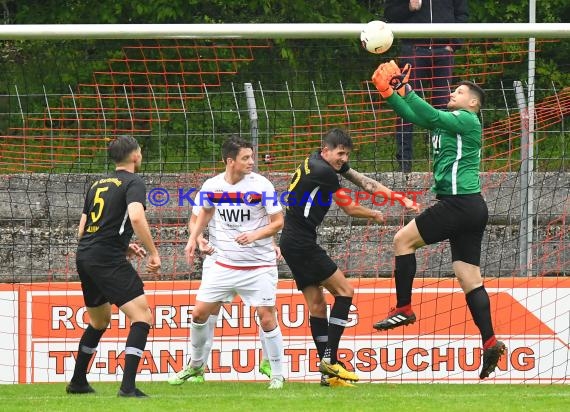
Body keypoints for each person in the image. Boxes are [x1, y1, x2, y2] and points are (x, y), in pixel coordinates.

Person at [370, 60, 506, 379]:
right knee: (468, 277)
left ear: (473, 102)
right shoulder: (448, 122)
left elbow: (429, 113)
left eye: (459, 92)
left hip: (459, 204)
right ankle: (490, 341)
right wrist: (388, 93)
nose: (454, 93)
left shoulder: (467, 119)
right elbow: (415, 115)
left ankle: (403, 308)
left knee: (402, 240)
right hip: (471, 208)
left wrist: (404, 86)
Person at [279, 128, 418, 387]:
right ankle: (331, 360)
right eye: (340, 153)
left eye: (346, 154)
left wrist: (399, 198)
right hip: (301, 243)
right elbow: (350, 208)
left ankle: (327, 375)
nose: (343, 159)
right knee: (345, 291)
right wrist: (373, 214)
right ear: (326, 151)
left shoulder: (315, 161)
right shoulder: (324, 173)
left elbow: (364, 182)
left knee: (318, 305)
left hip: (291, 241)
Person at [182, 136, 286, 389]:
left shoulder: (261, 185)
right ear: (230, 161)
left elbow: (278, 222)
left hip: (258, 265)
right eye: (246, 158)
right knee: (198, 313)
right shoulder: (212, 186)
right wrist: (196, 239)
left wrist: (255, 235)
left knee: (266, 317)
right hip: (223, 264)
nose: (252, 162)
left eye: (252, 157)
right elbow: (200, 215)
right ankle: (195, 367)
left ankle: (277, 374)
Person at [67, 135, 161, 398]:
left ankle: (78, 382)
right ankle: (128, 388)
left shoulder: (97, 183)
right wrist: (153, 252)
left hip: (86, 254)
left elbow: (83, 230)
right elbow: (136, 217)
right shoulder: (134, 182)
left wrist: (124, 245)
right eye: (140, 151)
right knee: (142, 316)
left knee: (99, 321)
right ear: (135, 156)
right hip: (106, 258)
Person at [167, 205, 277, 384]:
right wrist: (200, 239)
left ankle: (269, 362)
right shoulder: (213, 188)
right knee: (205, 313)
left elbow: (267, 220)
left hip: (254, 260)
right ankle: (198, 366)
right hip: (218, 259)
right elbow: (195, 220)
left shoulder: (256, 188)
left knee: (266, 311)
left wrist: (271, 244)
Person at [384, 0, 469, 173]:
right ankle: (404, 166)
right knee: (405, 105)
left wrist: (453, 44)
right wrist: (408, 7)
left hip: (443, 52)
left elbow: (462, 14)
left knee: (444, 108)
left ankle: (444, 163)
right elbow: (390, 15)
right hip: (414, 49)